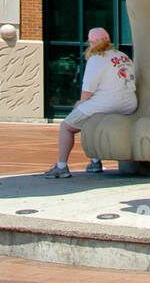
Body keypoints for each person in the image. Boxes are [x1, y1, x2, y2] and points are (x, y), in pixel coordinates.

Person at [45, 28, 136, 178]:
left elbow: (87, 90)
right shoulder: (122, 56)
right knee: (92, 121)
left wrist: (79, 103)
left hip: (108, 102)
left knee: (67, 126)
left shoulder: (96, 58)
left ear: (92, 42)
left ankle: (61, 166)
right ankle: (95, 161)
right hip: (129, 103)